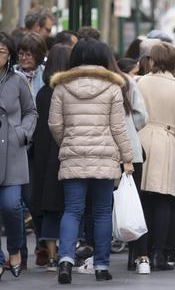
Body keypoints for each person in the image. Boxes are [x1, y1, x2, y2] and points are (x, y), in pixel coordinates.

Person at [48, 39, 134, 283]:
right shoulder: (112, 87)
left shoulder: (62, 86)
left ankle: (65, 260)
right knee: (102, 213)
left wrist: (68, 141)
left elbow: (54, 124)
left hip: (73, 156)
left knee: (73, 210)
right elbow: (118, 128)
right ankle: (101, 266)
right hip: (105, 158)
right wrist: (127, 157)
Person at [136, 42, 175, 271]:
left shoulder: (140, 82)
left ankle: (140, 255)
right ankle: (159, 253)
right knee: (165, 200)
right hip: (168, 142)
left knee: (144, 200)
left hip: (141, 139)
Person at [30, 44, 72, 272]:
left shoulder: (43, 93)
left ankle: (53, 255)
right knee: (70, 207)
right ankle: (68, 253)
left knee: (50, 208)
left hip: (44, 159)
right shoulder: (70, 92)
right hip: (67, 155)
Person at [107, 57, 150, 275]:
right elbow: (142, 116)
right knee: (134, 202)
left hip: (101, 151)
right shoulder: (126, 81)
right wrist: (129, 129)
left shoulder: (90, 81)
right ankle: (141, 256)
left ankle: (99, 257)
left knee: (101, 205)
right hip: (131, 151)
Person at [0, 32, 37, 280]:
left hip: (12, 151)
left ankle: (15, 250)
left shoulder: (18, 80)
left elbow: (30, 111)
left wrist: (22, 133)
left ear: (9, 54)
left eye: (2, 51)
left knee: (12, 206)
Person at [15, 32, 48, 101]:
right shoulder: (11, 72)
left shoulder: (46, 74)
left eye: (28, 55)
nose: (23, 58)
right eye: (21, 54)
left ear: (38, 55)